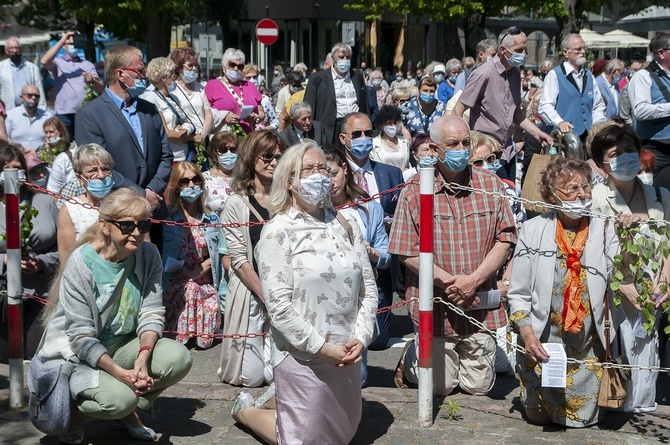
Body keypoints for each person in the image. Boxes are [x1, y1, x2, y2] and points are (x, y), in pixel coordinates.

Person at [230, 141, 377, 445]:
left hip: (346, 350)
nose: (318, 175)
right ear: (289, 180)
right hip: (304, 353)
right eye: (308, 169)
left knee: (344, 435)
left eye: (322, 168)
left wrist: (361, 338)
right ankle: (246, 411)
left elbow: (368, 287)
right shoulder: (277, 231)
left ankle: (278, 399)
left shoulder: (346, 223)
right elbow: (279, 306)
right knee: (305, 441)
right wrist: (323, 348)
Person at [36, 188, 192, 444]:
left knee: (179, 358)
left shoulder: (148, 254)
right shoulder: (81, 262)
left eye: (143, 225)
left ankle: (127, 401)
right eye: (127, 225)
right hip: (77, 355)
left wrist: (143, 355)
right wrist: (120, 373)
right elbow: (81, 337)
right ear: (105, 226)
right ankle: (79, 409)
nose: (137, 233)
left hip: (123, 344)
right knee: (119, 400)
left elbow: (152, 311)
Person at [389, 116, 517, 396]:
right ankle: (412, 357)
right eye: (453, 143)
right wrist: (449, 282)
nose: (462, 148)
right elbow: (404, 250)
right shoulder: (415, 189)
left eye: (465, 142)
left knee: (478, 387)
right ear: (435, 150)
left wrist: (474, 280)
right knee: (441, 387)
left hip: (478, 306)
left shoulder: (490, 183)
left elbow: (506, 238)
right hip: (436, 307)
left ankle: (455, 360)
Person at [507, 158, 619, 427]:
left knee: (586, 421)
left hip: (588, 348)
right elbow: (518, 292)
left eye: (586, 186)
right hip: (544, 344)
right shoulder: (532, 230)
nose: (581, 195)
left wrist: (628, 234)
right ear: (551, 194)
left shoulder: (605, 227)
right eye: (571, 189)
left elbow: (621, 275)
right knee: (537, 417)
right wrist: (528, 334)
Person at [590, 125, 670, 413]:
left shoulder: (659, 196)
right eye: (616, 154)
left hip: (654, 290)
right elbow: (595, 252)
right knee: (623, 348)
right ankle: (619, 404)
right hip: (617, 290)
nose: (625, 157)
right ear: (603, 164)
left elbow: (668, 246)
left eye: (629, 151)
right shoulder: (598, 198)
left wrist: (664, 283)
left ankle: (643, 406)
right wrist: (623, 285)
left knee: (648, 347)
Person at [217, 130, 286, 387]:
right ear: (251, 158)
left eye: (279, 157)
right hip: (251, 292)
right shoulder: (236, 203)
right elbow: (238, 259)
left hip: (285, 289)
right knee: (252, 377)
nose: (274, 163)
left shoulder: (287, 199)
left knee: (280, 375)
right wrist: (265, 296)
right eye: (267, 156)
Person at [74, 44, 173, 215]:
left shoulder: (149, 109)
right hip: (117, 208)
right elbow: (97, 166)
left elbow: (166, 155)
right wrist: (140, 195)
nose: (145, 76)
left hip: (154, 206)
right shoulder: (90, 114)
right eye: (140, 71)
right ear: (120, 74)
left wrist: (152, 189)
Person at [323, 143, 390, 387]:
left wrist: (369, 252)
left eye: (333, 173)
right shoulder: (312, 210)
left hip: (360, 292)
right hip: (325, 292)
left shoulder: (369, 208)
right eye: (322, 175)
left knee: (357, 377)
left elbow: (386, 256)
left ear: (345, 170)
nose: (330, 182)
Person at [454, 27, 552, 182]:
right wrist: (465, 144)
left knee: (510, 199)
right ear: (502, 49)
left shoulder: (514, 74)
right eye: (519, 50)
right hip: (486, 156)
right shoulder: (483, 73)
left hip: (508, 151)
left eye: (525, 49)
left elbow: (516, 113)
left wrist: (536, 132)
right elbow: (458, 110)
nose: (523, 54)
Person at [0, 145, 58, 363]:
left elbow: (62, 247)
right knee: (7, 356)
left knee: (35, 353)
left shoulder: (44, 202)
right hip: (4, 293)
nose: (14, 173)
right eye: (7, 168)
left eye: (18, 168)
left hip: (40, 291)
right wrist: (5, 259)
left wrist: (42, 263)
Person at [162, 162, 221, 350]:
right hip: (175, 280)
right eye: (184, 181)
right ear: (177, 186)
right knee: (190, 289)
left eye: (196, 180)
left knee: (207, 297)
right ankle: (182, 338)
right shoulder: (168, 219)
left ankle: (200, 337)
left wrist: (200, 269)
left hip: (202, 278)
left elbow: (219, 252)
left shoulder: (211, 218)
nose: (191, 185)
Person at [539, 33, 606, 139]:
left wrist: (597, 125)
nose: (583, 52)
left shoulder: (589, 75)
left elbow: (598, 105)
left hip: (588, 137)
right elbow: (545, 106)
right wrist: (560, 122)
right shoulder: (555, 75)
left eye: (584, 49)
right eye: (578, 49)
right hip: (565, 138)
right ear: (566, 52)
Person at [40, 31, 104, 140]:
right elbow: (44, 61)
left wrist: (92, 80)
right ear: (64, 46)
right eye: (70, 44)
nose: (73, 47)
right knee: (64, 146)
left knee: (84, 145)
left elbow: (101, 88)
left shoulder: (86, 64)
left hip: (83, 113)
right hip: (63, 114)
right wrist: (62, 40)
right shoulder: (57, 63)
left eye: (75, 44)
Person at [57, 143, 114, 261]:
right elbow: (66, 258)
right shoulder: (70, 210)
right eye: (92, 170)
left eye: (105, 169)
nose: (101, 175)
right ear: (79, 178)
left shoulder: (124, 203)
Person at [304, 42, 369, 144]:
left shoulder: (357, 77)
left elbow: (364, 103)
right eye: (341, 57)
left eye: (348, 57)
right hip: (331, 128)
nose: (345, 60)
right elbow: (309, 106)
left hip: (355, 126)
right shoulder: (317, 79)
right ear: (333, 59)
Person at [628, 32, 670, 174]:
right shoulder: (642, 77)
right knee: (650, 192)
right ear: (661, 53)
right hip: (654, 149)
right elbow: (640, 111)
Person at [142, 57, 197, 163]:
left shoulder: (173, 97)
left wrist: (187, 128)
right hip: (170, 158)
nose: (175, 78)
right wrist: (191, 137)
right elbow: (166, 133)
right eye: (173, 75)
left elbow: (186, 121)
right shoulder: (151, 99)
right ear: (163, 78)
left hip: (185, 155)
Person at [206, 48, 263, 135]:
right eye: (232, 65)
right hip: (224, 136)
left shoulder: (250, 86)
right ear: (224, 66)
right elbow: (204, 112)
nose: (236, 69)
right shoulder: (213, 85)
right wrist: (223, 117)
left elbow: (261, 112)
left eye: (240, 66)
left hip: (248, 138)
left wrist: (256, 118)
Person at [169, 47, 213, 146]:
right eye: (190, 66)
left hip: (202, 140)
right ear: (178, 67)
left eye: (195, 65)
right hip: (184, 143)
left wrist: (202, 135)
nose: (194, 69)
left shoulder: (200, 87)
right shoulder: (172, 90)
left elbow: (208, 115)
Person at [0, 37, 46, 111]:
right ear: (6, 50)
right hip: (8, 110)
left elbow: (39, 90)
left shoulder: (32, 68)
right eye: (11, 48)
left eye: (17, 48)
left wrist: (42, 109)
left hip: (30, 110)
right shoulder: (1, 67)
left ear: (20, 49)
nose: (14, 51)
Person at [6, 84, 53, 151]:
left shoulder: (47, 116)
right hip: (17, 156)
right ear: (21, 97)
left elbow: (54, 136)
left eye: (37, 96)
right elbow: (5, 138)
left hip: (42, 157)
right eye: (29, 95)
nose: (33, 98)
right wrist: (19, 148)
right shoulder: (10, 115)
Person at [202, 131, 237, 214]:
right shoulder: (205, 178)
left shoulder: (244, 177)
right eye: (223, 150)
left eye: (233, 149)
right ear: (214, 155)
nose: (229, 153)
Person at [371, 105, 411, 171]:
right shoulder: (374, 144)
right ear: (381, 125)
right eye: (389, 123)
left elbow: (407, 164)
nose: (393, 126)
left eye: (395, 123)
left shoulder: (404, 142)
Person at [243, 65, 278, 131]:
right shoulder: (239, 98)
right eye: (248, 78)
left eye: (255, 77)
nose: (252, 80)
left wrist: (264, 129)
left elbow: (275, 123)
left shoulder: (265, 99)